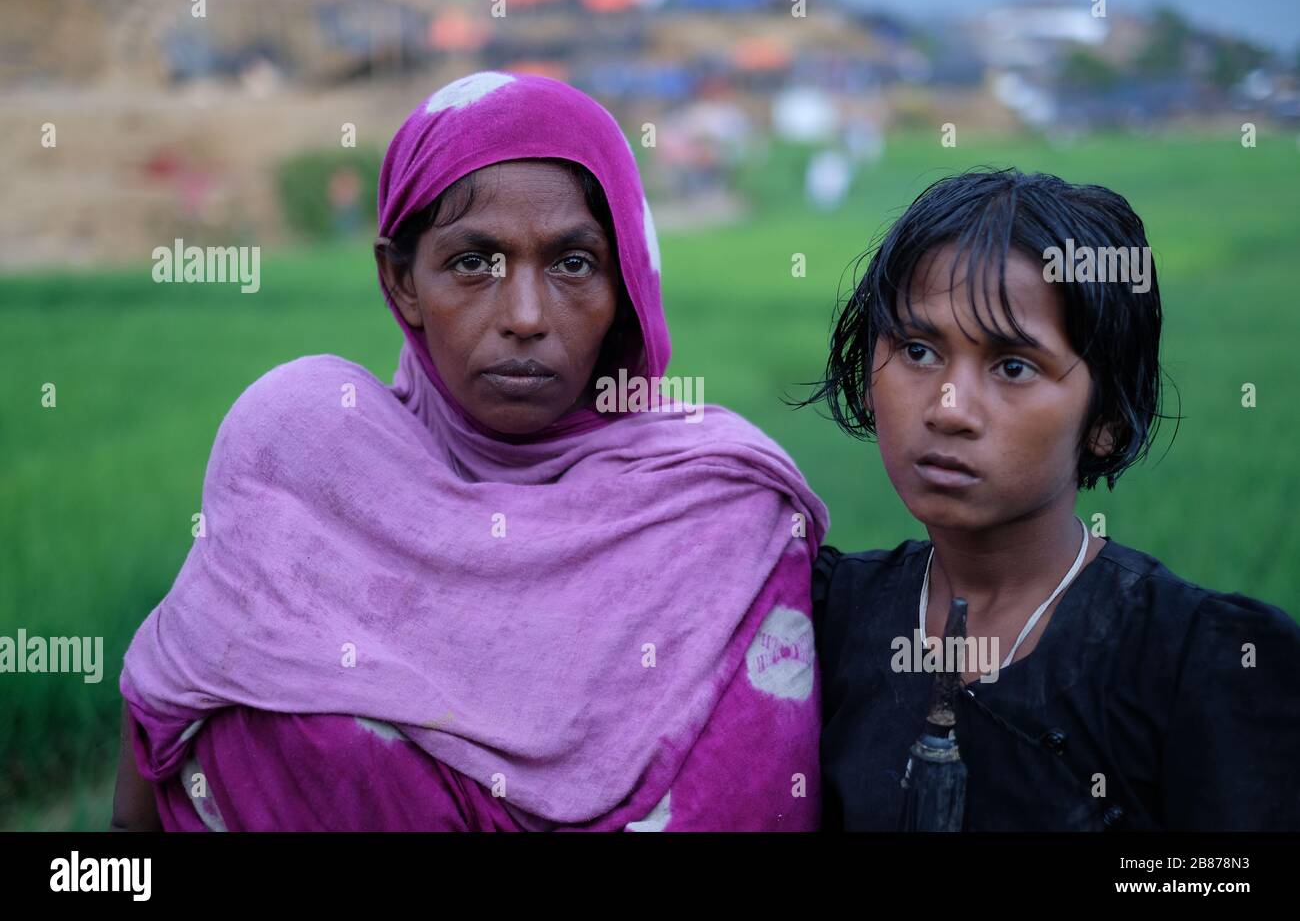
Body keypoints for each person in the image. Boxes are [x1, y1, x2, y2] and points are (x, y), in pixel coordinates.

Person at [112, 71, 828, 831]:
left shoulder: (717, 506)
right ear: (402, 279)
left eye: (573, 263)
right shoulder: (307, 454)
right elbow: (139, 806)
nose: (524, 316)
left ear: (628, 286)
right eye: (472, 262)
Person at [804, 167, 1300, 830]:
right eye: (918, 351)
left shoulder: (1199, 663)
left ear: (1106, 420)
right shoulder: (824, 618)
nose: (951, 410)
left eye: (1013, 367)